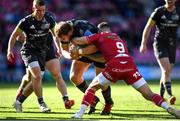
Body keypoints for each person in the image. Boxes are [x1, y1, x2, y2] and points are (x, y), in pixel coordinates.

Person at [69, 22, 180, 119]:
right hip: (130, 66)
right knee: (149, 94)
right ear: (110, 30)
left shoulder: (98, 36)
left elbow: (80, 40)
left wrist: (71, 39)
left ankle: (79, 113)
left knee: (91, 88)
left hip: (115, 66)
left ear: (99, 31)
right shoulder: (118, 37)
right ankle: (168, 107)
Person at [7, 0, 61, 112]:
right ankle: (41, 103)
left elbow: (56, 35)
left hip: (41, 52)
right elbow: (14, 35)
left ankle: (18, 101)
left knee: (31, 79)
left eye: (43, 10)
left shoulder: (49, 19)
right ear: (33, 8)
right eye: (38, 10)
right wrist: (9, 50)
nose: (41, 13)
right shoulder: (26, 21)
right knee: (37, 76)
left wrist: (59, 48)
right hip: (28, 51)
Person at [54, 20, 114, 115]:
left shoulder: (84, 29)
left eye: (66, 38)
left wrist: (79, 52)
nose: (66, 40)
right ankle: (93, 99)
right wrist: (71, 56)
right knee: (74, 77)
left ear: (71, 31)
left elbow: (96, 46)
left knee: (102, 82)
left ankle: (108, 103)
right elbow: (64, 49)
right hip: (82, 51)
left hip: (99, 53)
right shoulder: (63, 31)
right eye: (63, 39)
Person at [13, 32, 74, 113]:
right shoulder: (28, 21)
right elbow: (18, 36)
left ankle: (66, 100)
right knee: (32, 78)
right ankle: (19, 100)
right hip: (33, 52)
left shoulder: (49, 20)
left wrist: (59, 48)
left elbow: (56, 33)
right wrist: (23, 39)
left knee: (57, 75)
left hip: (48, 50)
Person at [139, 0, 180, 105]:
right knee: (166, 70)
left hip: (172, 45)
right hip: (159, 44)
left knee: (167, 73)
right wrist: (143, 44)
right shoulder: (158, 11)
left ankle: (160, 97)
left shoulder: (178, 12)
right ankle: (170, 95)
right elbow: (148, 27)